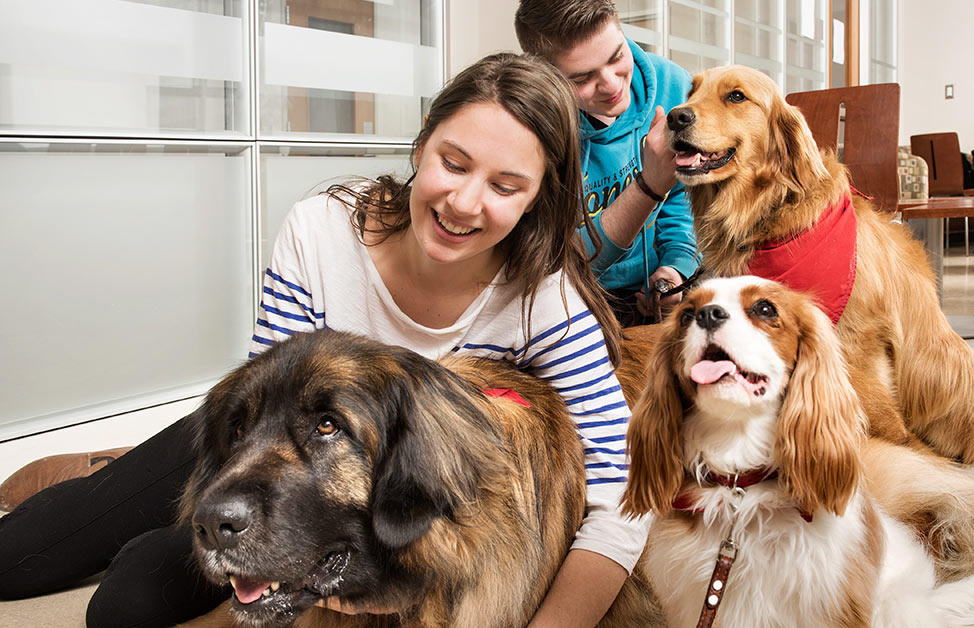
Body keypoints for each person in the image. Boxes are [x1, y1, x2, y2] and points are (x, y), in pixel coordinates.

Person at [0, 53, 644, 628]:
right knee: (37, 547)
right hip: (264, 438)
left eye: (506, 187)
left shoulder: (544, 300)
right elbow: (261, 414)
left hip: (373, 492)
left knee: (127, 600)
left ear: (536, 200)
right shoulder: (323, 230)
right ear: (421, 145)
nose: (465, 202)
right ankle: (91, 485)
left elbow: (621, 500)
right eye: (453, 163)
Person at [515, 0, 700, 326]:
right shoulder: (534, 128)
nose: (613, 85)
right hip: (575, 298)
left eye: (617, 56)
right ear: (548, 78)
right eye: (583, 78)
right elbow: (562, 266)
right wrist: (649, 185)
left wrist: (676, 267)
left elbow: (682, 196)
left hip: (657, 288)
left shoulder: (673, 83)